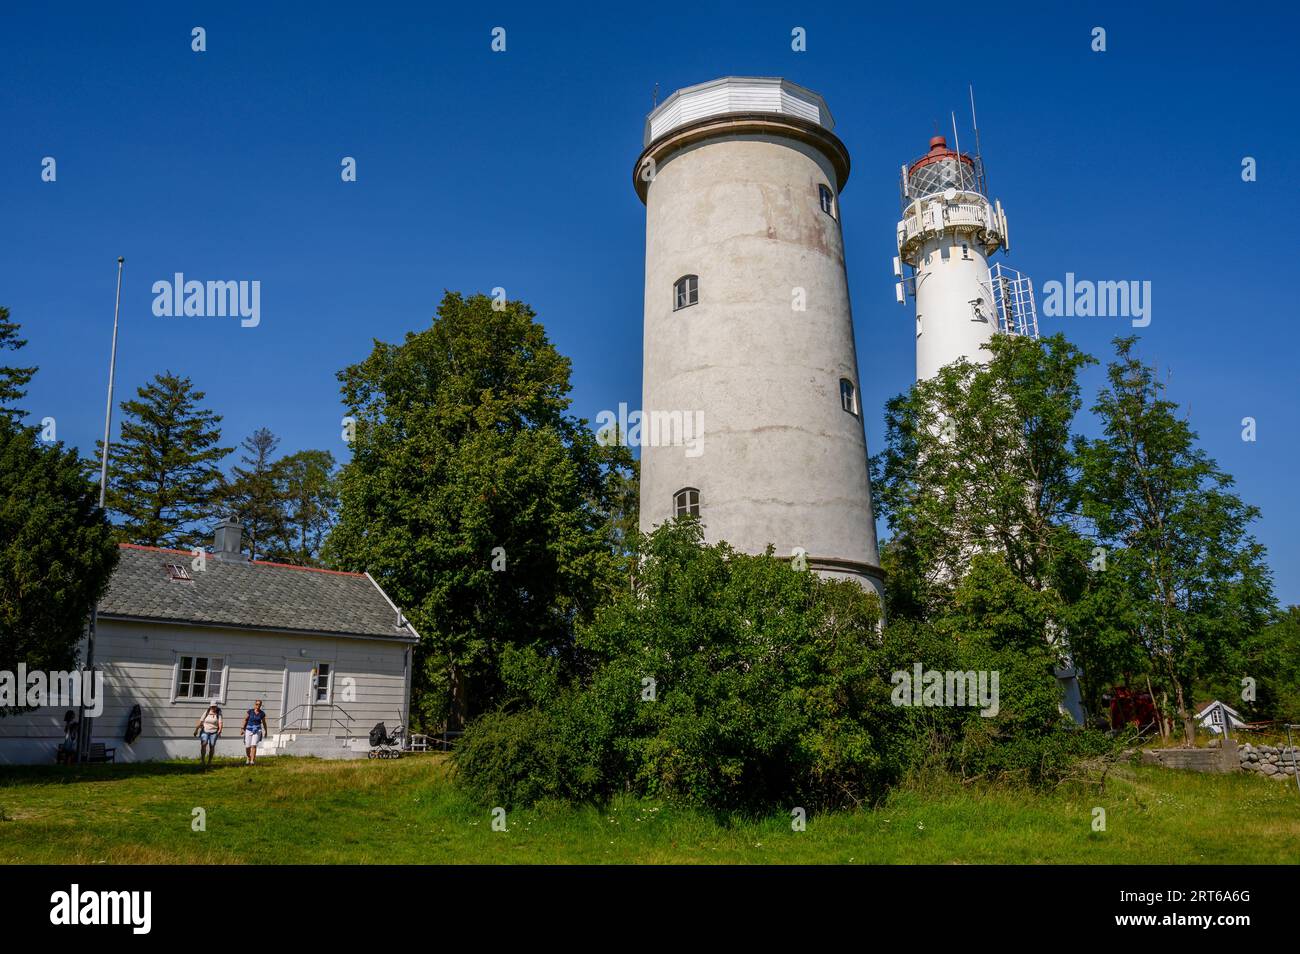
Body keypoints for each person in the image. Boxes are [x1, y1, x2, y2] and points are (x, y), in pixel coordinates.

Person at [194, 703, 222, 768]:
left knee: (212, 746)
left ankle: (209, 762)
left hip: (214, 732)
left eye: (215, 707)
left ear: (216, 707)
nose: (213, 708)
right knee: (204, 744)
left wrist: (220, 730)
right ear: (210, 706)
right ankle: (202, 761)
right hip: (205, 731)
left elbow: (220, 723)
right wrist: (196, 730)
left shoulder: (219, 713)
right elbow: (200, 721)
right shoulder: (206, 712)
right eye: (212, 707)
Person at [241, 699, 269, 765]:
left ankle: (252, 761)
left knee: (254, 745)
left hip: (257, 730)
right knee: (247, 746)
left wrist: (266, 731)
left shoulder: (262, 713)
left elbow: (264, 723)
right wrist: (242, 729)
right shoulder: (250, 711)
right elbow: (245, 720)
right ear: (255, 704)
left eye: (259, 704)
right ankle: (248, 757)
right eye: (257, 704)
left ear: (261, 705)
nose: (258, 706)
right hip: (249, 729)